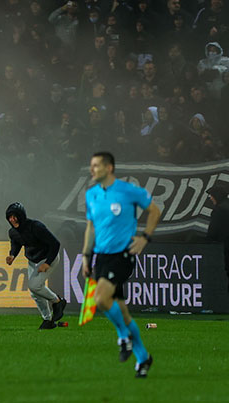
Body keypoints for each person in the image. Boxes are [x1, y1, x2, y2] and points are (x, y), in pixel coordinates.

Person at [82, 151, 161, 379]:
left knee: (100, 299)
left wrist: (145, 237)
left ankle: (123, 337)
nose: (92, 169)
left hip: (123, 255)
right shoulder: (91, 194)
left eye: (96, 165)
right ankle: (143, 358)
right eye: (91, 165)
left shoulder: (128, 191)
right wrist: (86, 255)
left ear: (109, 168)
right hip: (102, 257)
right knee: (123, 313)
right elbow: (91, 227)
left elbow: (155, 211)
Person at [4, 202, 66, 329]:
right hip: (33, 261)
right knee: (34, 293)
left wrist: (47, 263)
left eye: (15, 216)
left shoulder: (36, 227)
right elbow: (16, 243)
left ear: (21, 216)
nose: (12, 220)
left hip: (48, 257)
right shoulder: (13, 232)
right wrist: (12, 255)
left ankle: (57, 301)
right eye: (10, 217)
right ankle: (47, 320)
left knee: (34, 285)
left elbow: (55, 244)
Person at [205, 185, 229, 292]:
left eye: (211, 195)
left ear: (216, 196)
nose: (210, 198)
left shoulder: (219, 210)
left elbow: (212, 232)